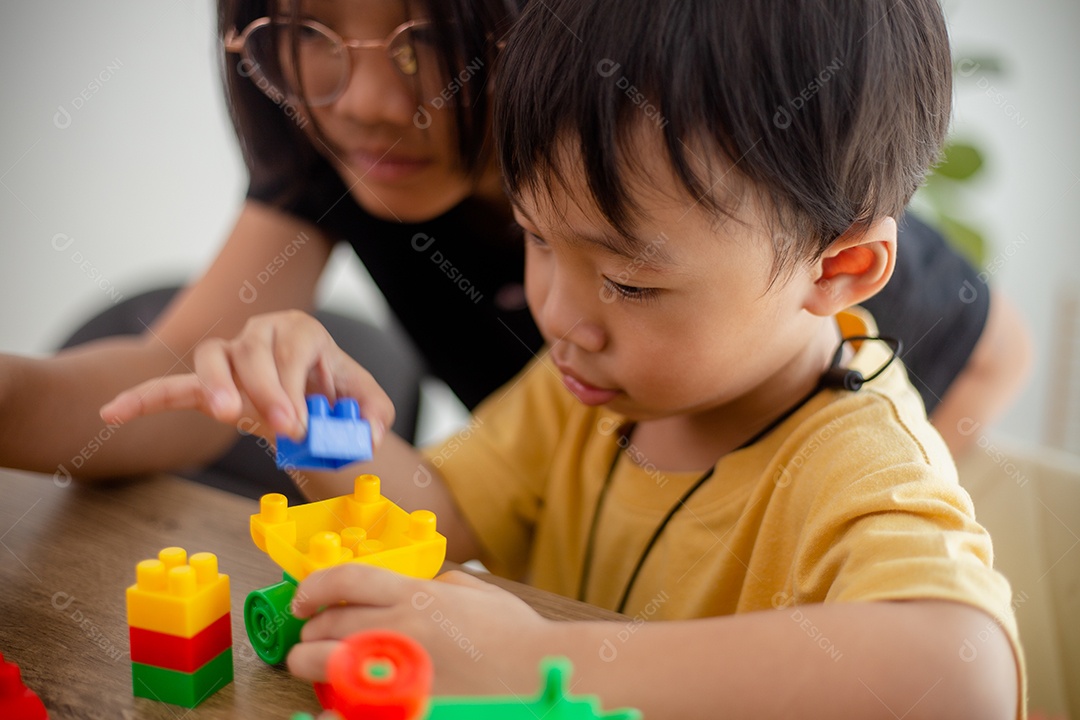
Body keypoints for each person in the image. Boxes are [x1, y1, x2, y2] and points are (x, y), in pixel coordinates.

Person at [102, 0, 1024, 716]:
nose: (559, 313)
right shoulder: (583, 387)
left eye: (627, 281)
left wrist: (537, 660)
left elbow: (964, 675)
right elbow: (447, 523)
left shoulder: (859, 462)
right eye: (538, 239)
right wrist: (316, 424)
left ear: (842, 267)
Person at [0, 0, 1026, 487]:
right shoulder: (567, 397)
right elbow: (449, 508)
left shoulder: (725, 177)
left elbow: (943, 663)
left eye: (420, 46)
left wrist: (934, 479)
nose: (360, 101)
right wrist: (313, 424)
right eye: (308, 33)